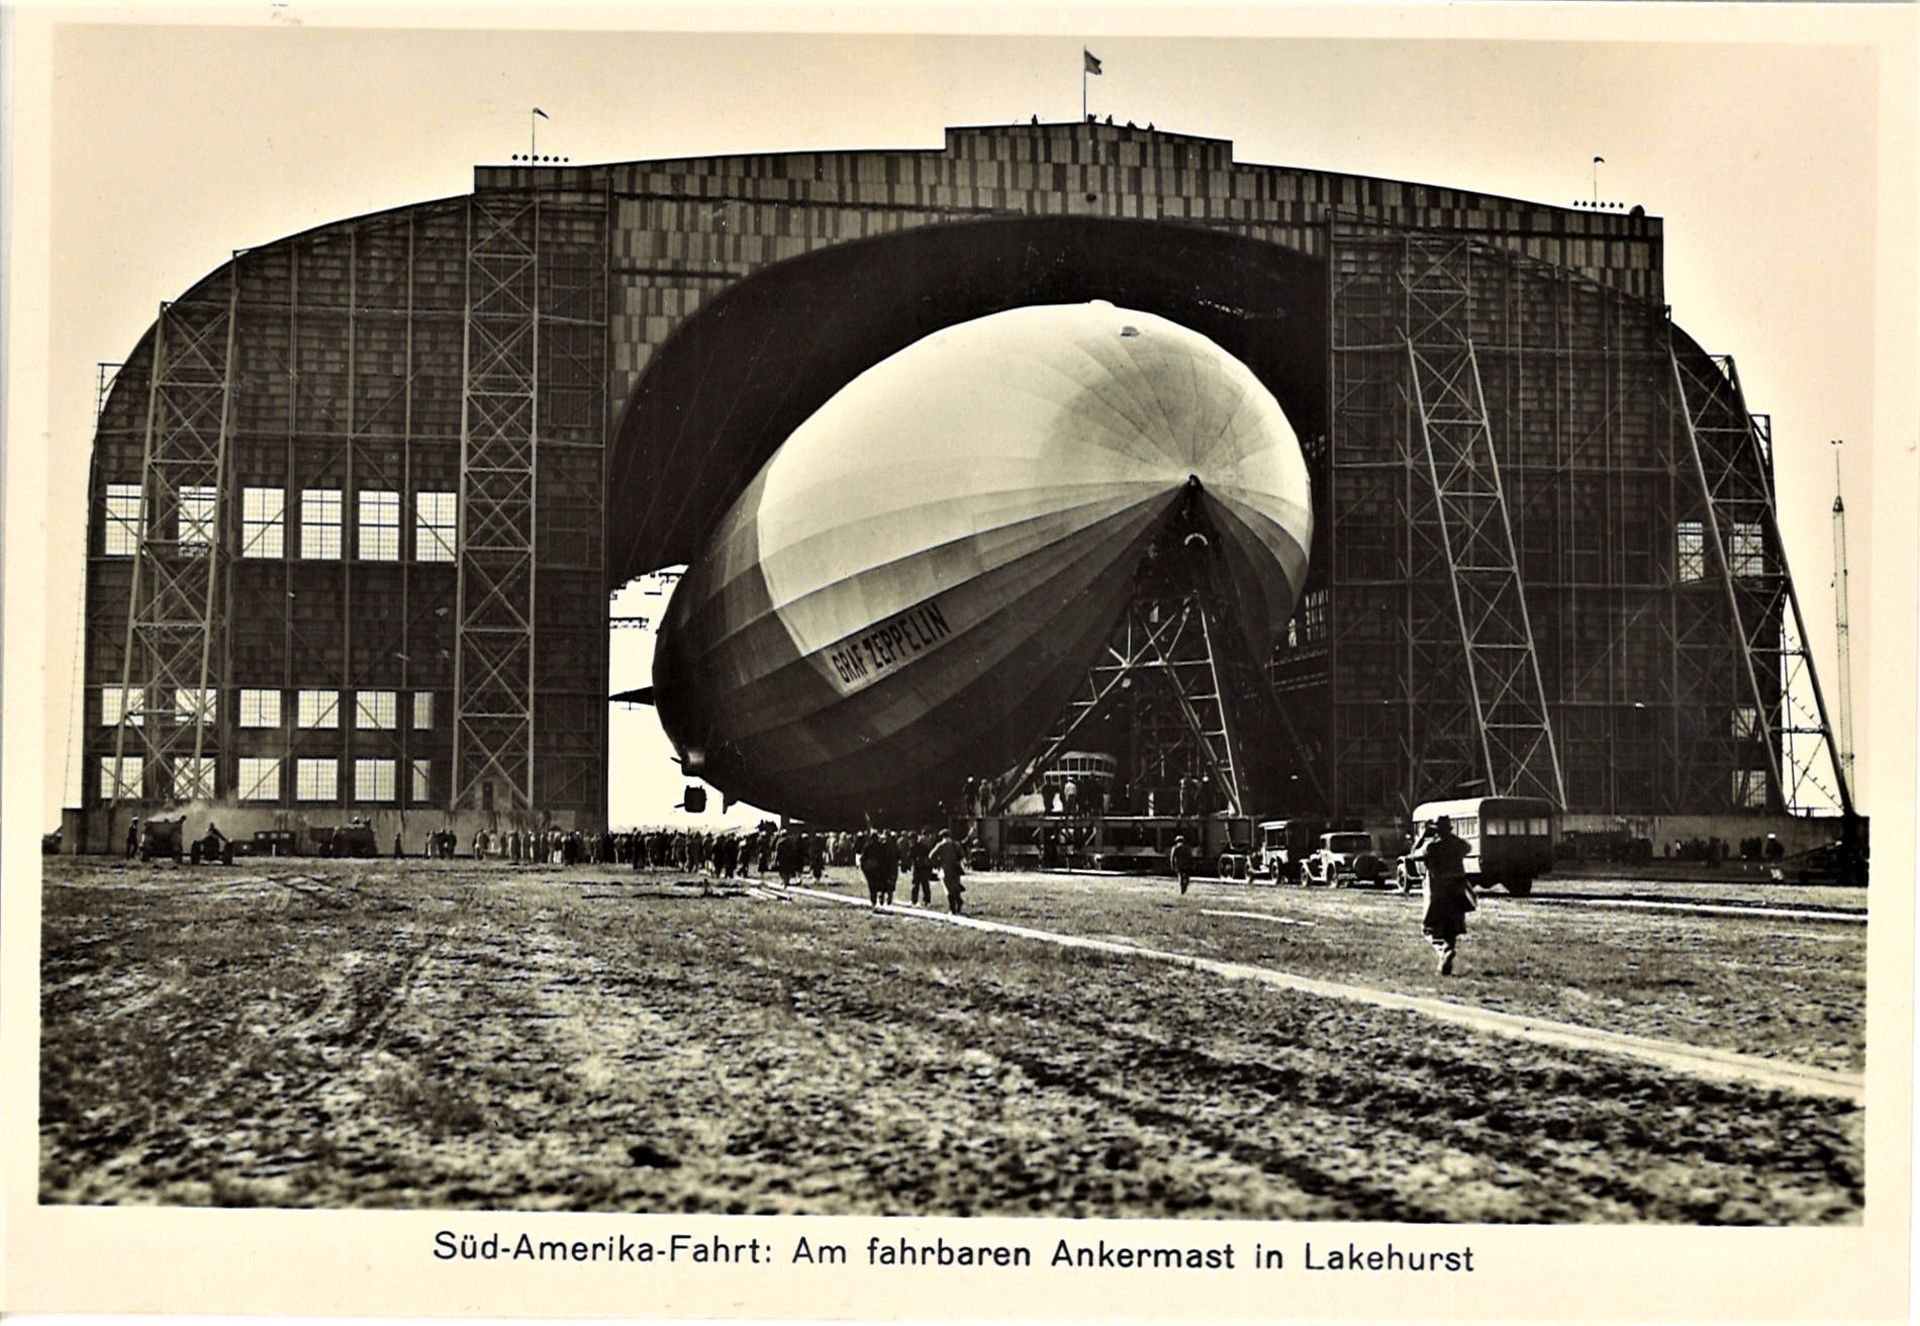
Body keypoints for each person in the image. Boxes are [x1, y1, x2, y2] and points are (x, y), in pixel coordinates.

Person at [1412, 815, 1474, 976]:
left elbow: (1413, 855)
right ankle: (1445, 965)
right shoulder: (1458, 845)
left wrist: (1423, 836)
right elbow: (1468, 847)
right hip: (1457, 892)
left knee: (1429, 929)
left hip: (1438, 892)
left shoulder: (1431, 847)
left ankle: (1443, 951)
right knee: (1451, 930)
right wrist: (1449, 836)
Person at [933, 829, 966, 914]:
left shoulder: (940, 845)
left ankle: (952, 909)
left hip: (945, 869)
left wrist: (938, 863)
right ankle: (958, 901)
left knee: (948, 889)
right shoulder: (956, 844)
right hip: (955, 868)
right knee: (955, 886)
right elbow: (962, 855)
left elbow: (931, 856)